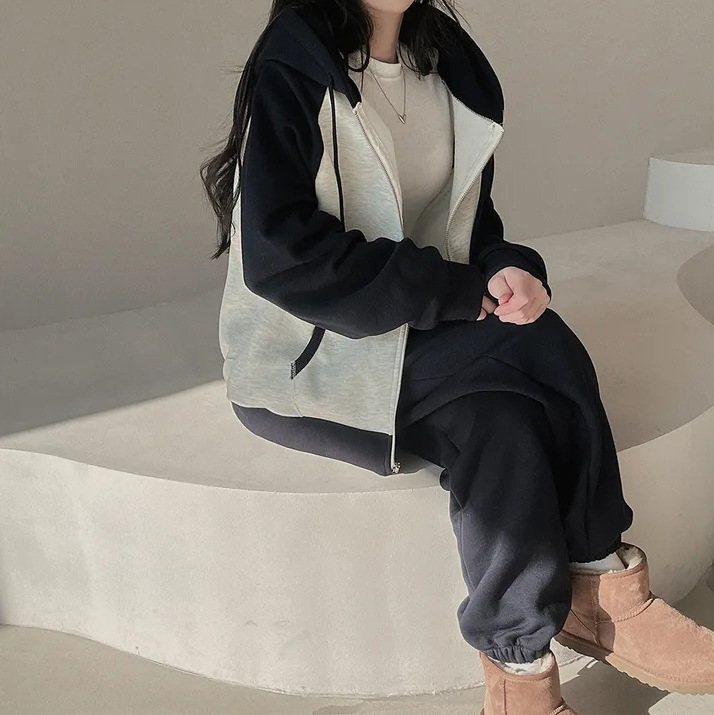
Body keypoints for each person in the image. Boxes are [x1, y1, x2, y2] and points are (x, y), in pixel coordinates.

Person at [201, 2, 714, 712]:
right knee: (540, 345)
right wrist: (458, 293)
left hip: (416, 335)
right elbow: (281, 258)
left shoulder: (447, 65)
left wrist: (504, 267)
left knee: (500, 424)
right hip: (309, 360)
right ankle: (602, 580)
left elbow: (468, 224)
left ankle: (519, 671)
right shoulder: (293, 66)